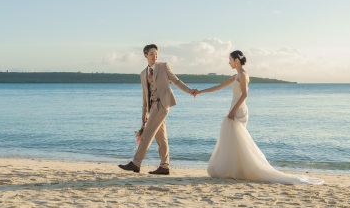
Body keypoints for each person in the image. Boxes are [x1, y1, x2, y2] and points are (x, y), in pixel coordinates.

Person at [197, 50, 323, 184]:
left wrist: (233, 111)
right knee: (233, 139)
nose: (229, 62)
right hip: (234, 108)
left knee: (237, 137)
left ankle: (243, 169)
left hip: (238, 110)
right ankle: (237, 170)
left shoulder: (243, 75)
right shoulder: (235, 76)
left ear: (236, 60)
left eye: (230, 60)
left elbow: (244, 94)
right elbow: (219, 87)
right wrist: (199, 92)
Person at [118, 44, 197, 175]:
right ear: (145, 55)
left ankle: (136, 163)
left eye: (156, 54)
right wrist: (144, 113)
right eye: (151, 54)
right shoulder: (143, 74)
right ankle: (164, 166)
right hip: (153, 107)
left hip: (162, 105)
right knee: (161, 138)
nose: (154, 56)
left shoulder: (164, 66)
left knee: (147, 134)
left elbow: (176, 81)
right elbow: (145, 95)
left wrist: (189, 91)